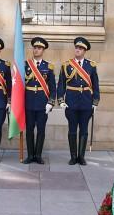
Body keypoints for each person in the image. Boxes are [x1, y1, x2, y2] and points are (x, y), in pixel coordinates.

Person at [57, 37, 99, 166]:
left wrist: (95, 102)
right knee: (72, 130)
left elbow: (96, 85)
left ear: (85, 50)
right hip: (71, 101)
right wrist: (61, 101)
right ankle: (73, 156)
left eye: (80, 48)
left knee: (84, 130)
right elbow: (61, 84)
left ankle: (81, 156)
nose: (78, 50)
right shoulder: (66, 65)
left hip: (86, 101)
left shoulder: (91, 65)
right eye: (76, 48)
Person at [23, 36, 56, 164]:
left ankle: (38, 155)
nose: (36, 50)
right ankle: (30, 155)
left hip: (43, 103)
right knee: (29, 129)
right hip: (29, 102)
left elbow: (53, 87)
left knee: (41, 130)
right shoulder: (25, 65)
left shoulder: (49, 67)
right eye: (35, 48)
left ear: (43, 50)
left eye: (39, 48)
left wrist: (51, 102)